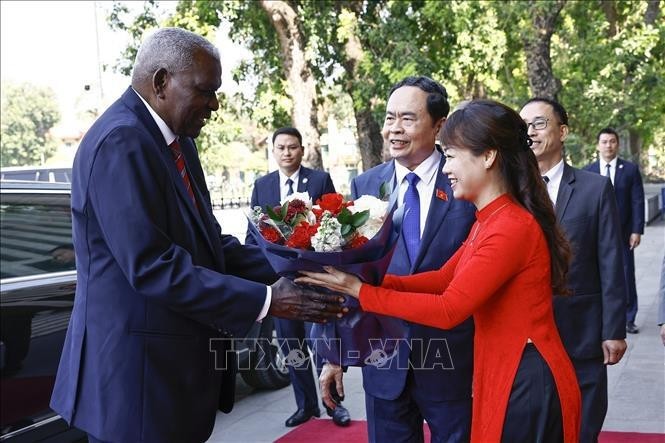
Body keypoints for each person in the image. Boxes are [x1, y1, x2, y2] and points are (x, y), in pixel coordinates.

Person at [49, 27, 344, 443]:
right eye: (205, 91)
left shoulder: (177, 142)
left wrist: (302, 265)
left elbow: (209, 243)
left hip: (172, 382)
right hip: (136, 387)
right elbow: (153, 266)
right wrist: (267, 300)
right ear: (161, 82)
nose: (215, 105)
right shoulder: (121, 142)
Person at [298, 99, 582, 442]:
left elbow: (449, 308)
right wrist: (367, 281)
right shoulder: (490, 219)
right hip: (505, 367)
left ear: (488, 156)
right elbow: (443, 279)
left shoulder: (509, 226)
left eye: (450, 155)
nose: (446, 168)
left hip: (525, 375)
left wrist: (362, 293)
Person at [317, 76, 476, 442]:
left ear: (439, 125)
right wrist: (332, 353)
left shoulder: (466, 181)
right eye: (390, 118)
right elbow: (344, 272)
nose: (394, 129)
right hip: (383, 360)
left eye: (407, 118)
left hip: (452, 358)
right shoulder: (365, 186)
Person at [520, 98, 627, 443]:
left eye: (538, 124)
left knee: (581, 429)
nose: (530, 133)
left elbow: (611, 259)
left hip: (580, 333)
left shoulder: (595, 189)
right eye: (523, 127)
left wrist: (614, 328)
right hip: (525, 338)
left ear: (562, 131)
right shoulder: (507, 190)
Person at [246, 127, 350, 427]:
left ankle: (334, 406)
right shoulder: (262, 185)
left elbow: (335, 224)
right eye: (281, 148)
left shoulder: (319, 180)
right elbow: (254, 234)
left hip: (314, 280)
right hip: (281, 283)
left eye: (292, 147)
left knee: (321, 345)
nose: (287, 152)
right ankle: (305, 405)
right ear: (274, 151)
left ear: (302, 150)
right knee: (292, 347)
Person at [583, 127, 645, 334]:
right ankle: (602, 316)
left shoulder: (630, 170)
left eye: (612, 141)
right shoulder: (587, 171)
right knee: (596, 274)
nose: (608, 145)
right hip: (595, 233)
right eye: (604, 142)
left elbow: (637, 200)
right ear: (597, 145)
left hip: (623, 233)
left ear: (617, 144)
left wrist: (637, 230)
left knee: (627, 274)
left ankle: (629, 318)